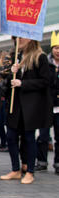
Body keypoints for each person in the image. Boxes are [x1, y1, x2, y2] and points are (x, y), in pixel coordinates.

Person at [0, 37, 52, 184]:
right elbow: (11, 81)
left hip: (30, 105)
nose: (18, 40)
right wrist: (12, 72)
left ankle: (30, 171)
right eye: (15, 38)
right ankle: (15, 169)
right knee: (11, 136)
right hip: (15, 105)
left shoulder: (40, 57)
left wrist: (23, 83)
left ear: (30, 38)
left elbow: (45, 81)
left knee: (29, 138)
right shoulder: (17, 56)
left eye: (21, 37)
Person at [35, 32, 59, 173]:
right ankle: (42, 161)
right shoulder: (46, 63)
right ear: (52, 49)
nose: (58, 51)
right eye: (56, 48)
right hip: (46, 105)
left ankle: (57, 163)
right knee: (43, 136)